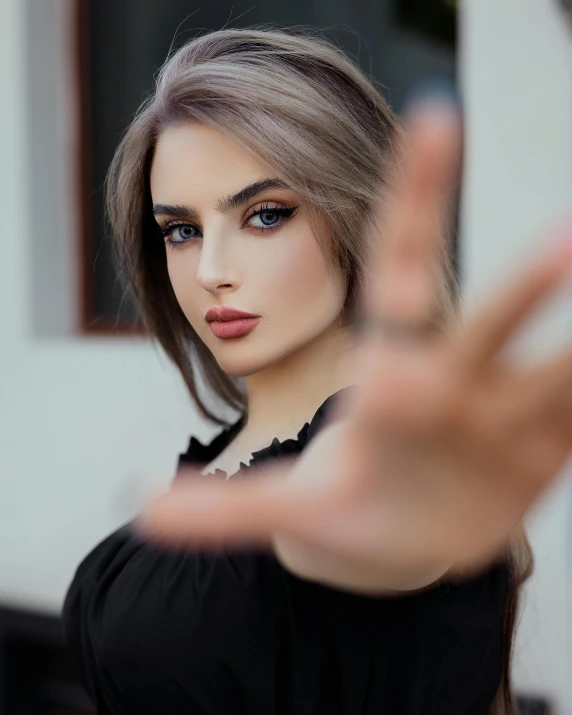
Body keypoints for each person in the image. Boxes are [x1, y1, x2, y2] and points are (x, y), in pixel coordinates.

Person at [62, 27, 572, 715]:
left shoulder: (358, 471)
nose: (212, 270)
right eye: (181, 230)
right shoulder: (221, 461)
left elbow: (362, 514)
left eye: (265, 215)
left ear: (355, 211)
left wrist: (406, 490)